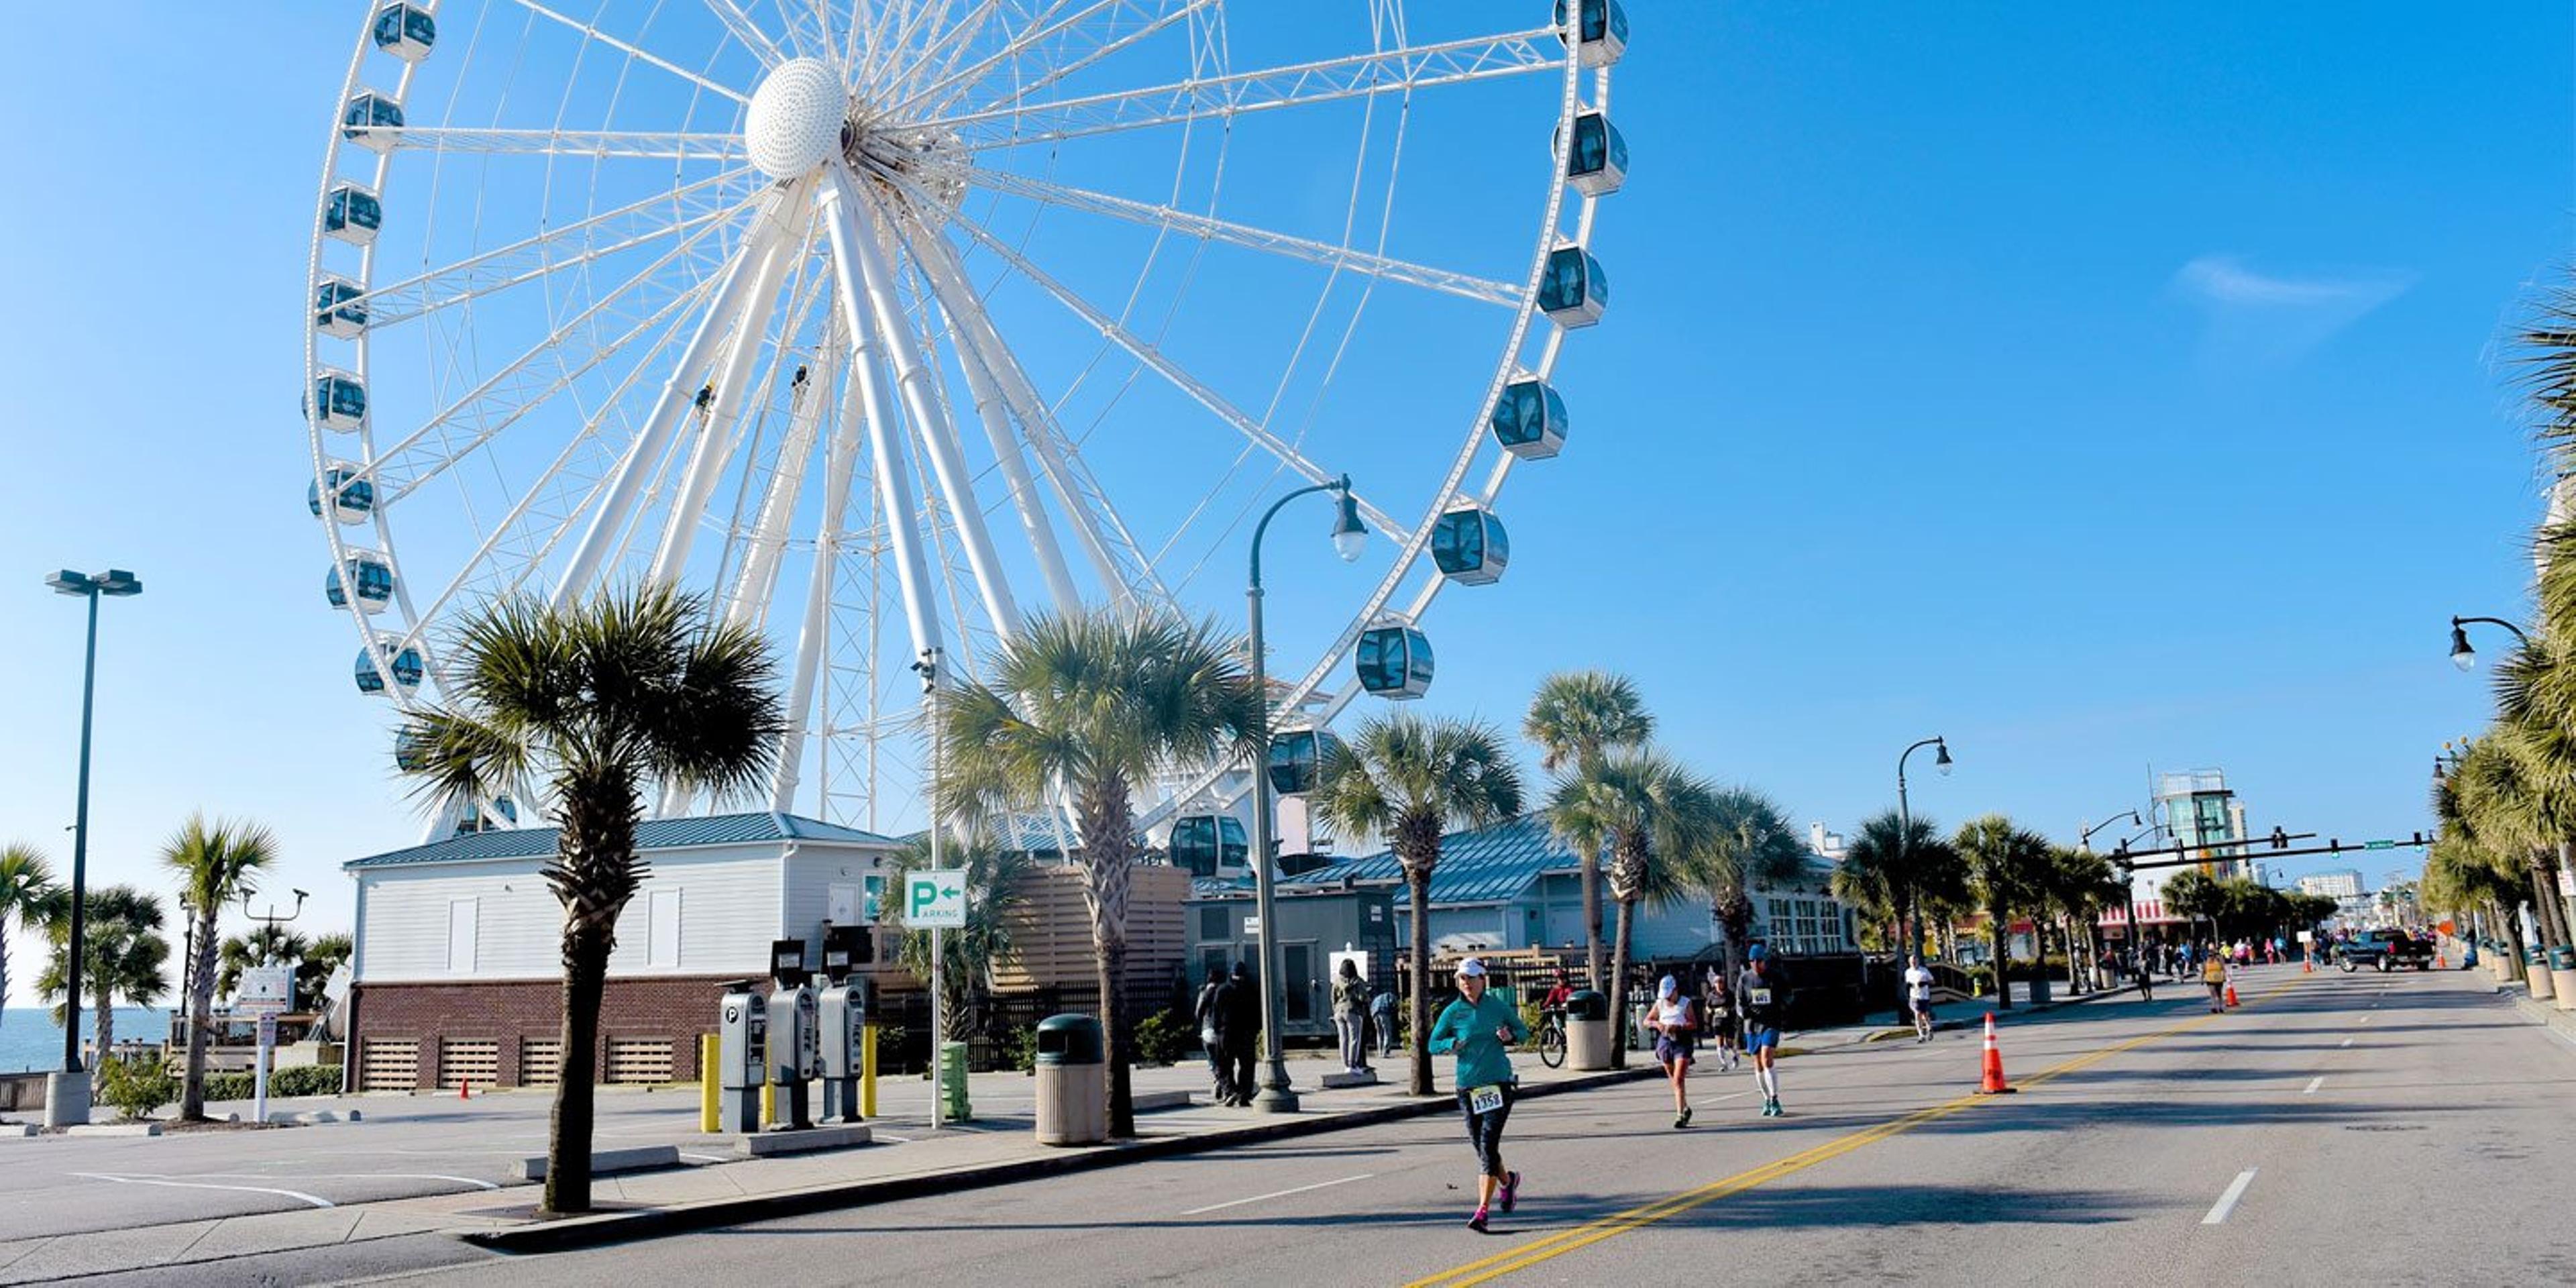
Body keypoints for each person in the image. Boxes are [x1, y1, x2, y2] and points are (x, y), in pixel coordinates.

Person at [1428, 958, 1528, 1232]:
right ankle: (1508, 1182)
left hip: (1498, 1084)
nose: (1467, 983)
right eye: (1462, 979)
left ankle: (1482, 1211)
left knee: (1487, 1145)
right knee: (1481, 1146)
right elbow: (1432, 1043)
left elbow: (1524, 1032)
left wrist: (1510, 1036)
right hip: (1468, 1087)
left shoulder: (1497, 1006)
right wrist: (1451, 1043)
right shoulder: (1453, 1012)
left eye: (1471, 978)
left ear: (1483, 979)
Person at [1736, 944, 1788, 1117]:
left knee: (1767, 1059)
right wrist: (1744, 1012)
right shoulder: (1744, 979)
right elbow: (1739, 1001)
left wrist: (1782, 1005)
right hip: (1752, 1025)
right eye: (1752, 961)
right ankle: (1766, 1099)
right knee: (1758, 1064)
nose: (1756, 964)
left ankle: (1775, 1099)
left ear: (1765, 961)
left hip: (1771, 1023)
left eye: (1759, 961)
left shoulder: (1775, 977)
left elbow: (1789, 995)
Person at [1647, 975, 1697, 1128]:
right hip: (1666, 1041)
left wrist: (1679, 1026)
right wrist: (1657, 1024)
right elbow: (1647, 1020)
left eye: (1669, 994)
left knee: (1679, 1078)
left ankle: (1680, 1115)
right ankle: (1686, 1107)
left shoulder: (1685, 1003)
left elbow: (1693, 1023)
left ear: (1675, 991)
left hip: (1682, 1041)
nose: (1667, 998)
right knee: (1673, 1079)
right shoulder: (1660, 1004)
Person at [1222, 961, 1260, 1105]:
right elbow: (1258, 1011)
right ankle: (1244, 1093)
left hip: (1228, 1033)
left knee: (1226, 1065)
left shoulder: (1224, 990)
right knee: (1247, 1066)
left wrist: (1218, 1030)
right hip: (1246, 1033)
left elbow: (1216, 1013)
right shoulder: (1251, 989)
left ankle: (1232, 1091)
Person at [1193, 966, 1233, 1105]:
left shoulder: (1205, 992)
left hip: (1208, 1030)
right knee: (1226, 1061)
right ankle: (1227, 1087)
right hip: (1225, 1030)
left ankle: (1220, 1082)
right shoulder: (1227, 991)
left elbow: (1198, 1013)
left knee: (1214, 1061)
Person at [1333, 959, 1371, 1075]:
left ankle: (1345, 1064)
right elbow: (1363, 997)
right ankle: (1352, 1065)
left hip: (1339, 1011)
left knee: (1343, 1039)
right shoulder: (1357, 981)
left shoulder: (1337, 981)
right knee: (1354, 1039)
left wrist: (1335, 1009)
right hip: (1353, 1010)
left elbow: (1333, 997)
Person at [1702, 965, 1741, 1071]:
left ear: (1724, 983)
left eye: (1721, 982)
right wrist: (1711, 1011)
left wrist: (1728, 1010)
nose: (1719, 984)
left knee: (1729, 1043)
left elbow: (1735, 1006)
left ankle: (1736, 1055)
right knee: (1719, 1042)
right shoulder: (1711, 995)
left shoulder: (1729, 994)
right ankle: (1723, 1064)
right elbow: (1707, 1006)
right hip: (1717, 1021)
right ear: (1714, 984)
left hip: (1729, 1020)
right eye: (1717, 982)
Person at [1901, 954, 1936, 1043]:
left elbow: (1933, 981)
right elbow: (1907, 982)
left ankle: (1929, 1029)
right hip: (1914, 996)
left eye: (1915, 961)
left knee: (1925, 1015)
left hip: (1924, 996)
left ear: (1918, 962)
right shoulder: (1908, 972)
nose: (1913, 963)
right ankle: (1921, 1035)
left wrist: (1924, 983)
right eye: (1911, 962)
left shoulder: (1923, 971)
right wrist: (1909, 985)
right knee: (1917, 1014)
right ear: (1909, 963)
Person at [1371, 987, 1398, 1057]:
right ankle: (1385, 1053)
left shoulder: (1376, 998)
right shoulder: (1390, 995)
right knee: (1387, 1033)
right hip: (1384, 1013)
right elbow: (1393, 1003)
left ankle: (1380, 1052)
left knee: (1379, 1034)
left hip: (1375, 1014)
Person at [2201, 947, 2228, 1012]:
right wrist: (2202, 979)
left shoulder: (2219, 960)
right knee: (2213, 993)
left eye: (2212, 955)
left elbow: (2223, 969)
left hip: (2218, 979)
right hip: (2210, 980)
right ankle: (2214, 1007)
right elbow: (2204, 971)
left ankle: (2221, 1007)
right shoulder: (2206, 962)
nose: (2210, 956)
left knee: (2219, 994)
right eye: (2209, 955)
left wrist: (2224, 977)